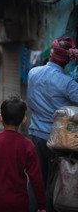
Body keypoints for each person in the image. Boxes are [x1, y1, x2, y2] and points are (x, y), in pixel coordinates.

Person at [27, 37, 78, 211]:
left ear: (52, 53)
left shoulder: (33, 73)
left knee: (36, 179)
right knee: (55, 182)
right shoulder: (68, 83)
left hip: (35, 135)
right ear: (67, 60)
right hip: (58, 140)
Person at [0, 96, 47, 212]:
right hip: (20, 203)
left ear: (1, 118)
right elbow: (36, 179)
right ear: (23, 120)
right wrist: (42, 205)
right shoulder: (28, 145)